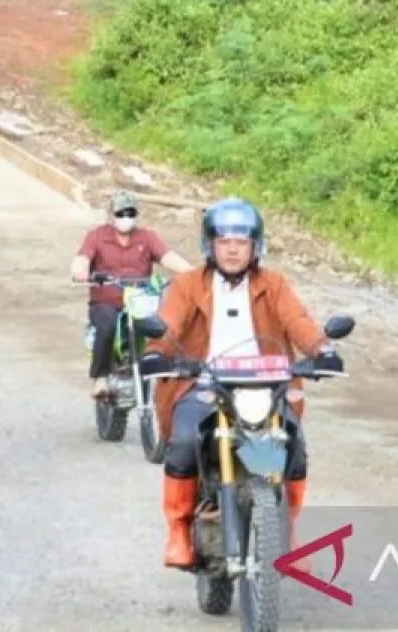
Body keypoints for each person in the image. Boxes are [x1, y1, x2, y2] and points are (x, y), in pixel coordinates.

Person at [138, 198, 345, 570]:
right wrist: (157, 350)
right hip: (204, 385)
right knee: (184, 442)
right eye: (224, 241)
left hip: (262, 387)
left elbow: (298, 321)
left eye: (242, 241)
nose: (233, 249)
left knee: (292, 446)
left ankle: (286, 532)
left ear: (255, 246)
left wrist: (322, 349)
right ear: (210, 245)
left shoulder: (274, 284)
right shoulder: (187, 285)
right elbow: (169, 324)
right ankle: (179, 531)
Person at [70, 191, 191, 398]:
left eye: (130, 212)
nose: (125, 217)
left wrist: (192, 272)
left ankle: (179, 382)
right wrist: (80, 271)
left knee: (169, 327)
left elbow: (167, 257)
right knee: (106, 325)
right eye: (121, 213)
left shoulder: (147, 237)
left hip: (140, 303)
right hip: (106, 303)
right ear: (111, 214)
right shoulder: (97, 236)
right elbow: (82, 258)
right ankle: (100, 378)